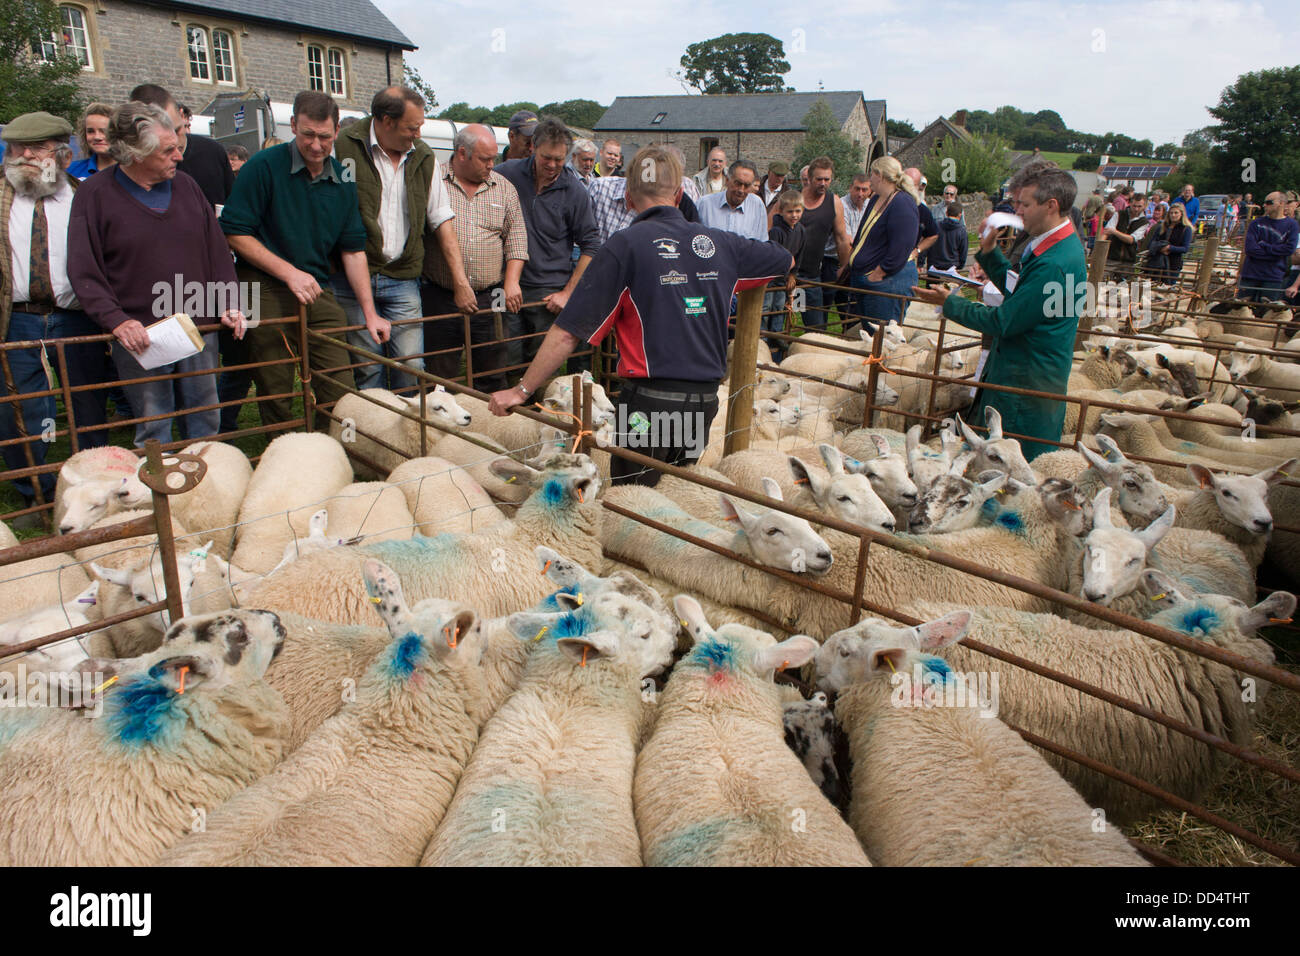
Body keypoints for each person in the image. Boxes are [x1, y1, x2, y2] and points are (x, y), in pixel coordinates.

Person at [485, 145, 793, 486]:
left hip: (650, 405)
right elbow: (782, 259)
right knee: (677, 490)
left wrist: (522, 390)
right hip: (702, 402)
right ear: (678, 194)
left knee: (633, 499)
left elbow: (568, 332)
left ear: (629, 197)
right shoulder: (719, 243)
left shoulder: (625, 246)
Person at [68, 103, 246, 448]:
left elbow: (217, 252)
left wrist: (230, 303)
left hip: (198, 326)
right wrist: (116, 321)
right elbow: (82, 267)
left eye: (177, 146)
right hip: (141, 334)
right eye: (168, 150)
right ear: (135, 154)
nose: (178, 157)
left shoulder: (188, 187)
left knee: (206, 419)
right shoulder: (94, 194)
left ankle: (205, 494)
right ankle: (159, 497)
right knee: (154, 425)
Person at [219, 90, 381, 428]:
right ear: (293, 125)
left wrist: (370, 313)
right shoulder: (263, 166)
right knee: (274, 381)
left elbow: (352, 248)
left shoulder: (342, 178)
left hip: (315, 283)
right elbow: (234, 232)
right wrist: (289, 273)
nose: (317, 145)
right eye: (308, 134)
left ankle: (330, 450)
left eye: (324, 136)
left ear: (337, 131)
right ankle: (282, 451)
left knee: (339, 380)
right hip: (263, 282)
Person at [911, 166, 1085, 461]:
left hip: (1024, 384)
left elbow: (1004, 320)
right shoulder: (1055, 247)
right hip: (1024, 373)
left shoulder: (1055, 262)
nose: (1018, 212)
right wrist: (990, 253)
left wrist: (950, 303)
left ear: (1051, 205)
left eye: (1025, 204)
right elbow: (1021, 292)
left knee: (1008, 465)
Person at [1, 113, 117, 523]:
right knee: (26, 408)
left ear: (63, 154)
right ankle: (36, 491)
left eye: (38, 148)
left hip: (76, 317)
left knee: (86, 402)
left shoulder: (85, 196)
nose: (26, 156)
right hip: (17, 319)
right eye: (18, 148)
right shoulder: (1, 198)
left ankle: (95, 487)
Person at [333, 86, 473, 394]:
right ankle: (371, 436)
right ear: (385, 121)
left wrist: (460, 280)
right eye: (412, 127)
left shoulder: (423, 157)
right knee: (366, 365)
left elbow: (440, 216)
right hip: (354, 276)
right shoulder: (344, 147)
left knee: (411, 365)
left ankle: (407, 435)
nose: (418, 133)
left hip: (404, 275)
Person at [423, 125, 527, 391]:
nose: (492, 165)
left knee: (492, 369)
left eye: (494, 158)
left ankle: (488, 427)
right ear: (461, 153)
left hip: (491, 294)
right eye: (485, 159)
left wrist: (512, 281)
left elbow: (516, 240)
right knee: (439, 371)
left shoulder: (504, 188)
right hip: (441, 292)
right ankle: (441, 428)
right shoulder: (434, 181)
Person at [495, 116, 600, 372]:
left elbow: (591, 245)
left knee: (539, 362)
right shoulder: (506, 174)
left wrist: (567, 292)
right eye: (546, 157)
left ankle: (535, 409)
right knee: (502, 354)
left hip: (547, 290)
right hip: (503, 284)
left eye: (559, 159)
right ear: (534, 148)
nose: (552, 165)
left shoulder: (574, 191)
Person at [843, 156, 919, 331]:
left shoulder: (902, 203)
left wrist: (879, 273)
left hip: (887, 282)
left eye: (872, 174)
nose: (870, 179)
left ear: (881, 175)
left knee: (881, 335)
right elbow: (864, 233)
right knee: (870, 333)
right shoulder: (877, 199)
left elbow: (902, 245)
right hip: (868, 279)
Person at [128, 85, 233, 209]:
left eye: (176, 130)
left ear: (182, 115)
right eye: (162, 139)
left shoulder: (213, 152)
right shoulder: (129, 171)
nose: (175, 144)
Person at [794, 157, 852, 330]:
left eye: (827, 179)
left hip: (811, 275)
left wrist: (843, 266)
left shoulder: (833, 202)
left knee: (816, 326)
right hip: (787, 273)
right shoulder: (794, 199)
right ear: (809, 179)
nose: (823, 183)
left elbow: (841, 238)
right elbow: (771, 229)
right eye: (819, 179)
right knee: (778, 321)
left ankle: (811, 353)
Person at [763, 190, 804, 360]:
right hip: (772, 276)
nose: (794, 215)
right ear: (781, 211)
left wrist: (793, 275)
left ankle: (777, 334)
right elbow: (773, 254)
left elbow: (800, 254)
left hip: (785, 277)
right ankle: (763, 337)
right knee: (766, 306)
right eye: (790, 212)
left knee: (780, 306)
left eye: (798, 211)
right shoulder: (776, 232)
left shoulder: (801, 230)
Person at [1239, 191, 1300, 302]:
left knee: (1267, 311)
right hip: (1251, 274)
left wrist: (1264, 245)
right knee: (1239, 309)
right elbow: (1250, 249)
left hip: (1273, 277)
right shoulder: (1256, 223)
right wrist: (1276, 254)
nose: (1264, 205)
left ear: (1281, 203)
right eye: (1264, 202)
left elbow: (1289, 249)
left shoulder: (1292, 225)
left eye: (1269, 202)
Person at [696, 160, 768, 240]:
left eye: (747, 186)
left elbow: (762, 243)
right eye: (737, 183)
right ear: (727, 181)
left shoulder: (757, 206)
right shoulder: (704, 204)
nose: (741, 190)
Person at [1145, 202, 1192, 285]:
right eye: (1171, 213)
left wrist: (1169, 248)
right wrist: (1160, 248)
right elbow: (1151, 243)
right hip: (1157, 262)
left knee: (1169, 287)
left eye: (1176, 213)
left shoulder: (1186, 229)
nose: (1173, 215)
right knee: (1154, 286)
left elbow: (1185, 248)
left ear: (1181, 214)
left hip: (1174, 263)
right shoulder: (1162, 226)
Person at [1104, 192, 1149, 278]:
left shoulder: (1144, 222)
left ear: (1144, 206)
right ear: (1130, 203)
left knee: (1123, 287)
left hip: (1128, 260)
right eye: (1134, 206)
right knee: (1102, 281)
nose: (1136, 209)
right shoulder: (1119, 214)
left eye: (1139, 206)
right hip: (1112, 257)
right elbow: (1107, 231)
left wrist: (1115, 232)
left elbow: (1131, 239)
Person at [67, 104, 116, 181]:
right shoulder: (72, 171)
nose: (97, 137)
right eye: (90, 131)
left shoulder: (131, 173)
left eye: (104, 131)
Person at [929, 203, 969, 272]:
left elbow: (928, 242)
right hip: (952, 268)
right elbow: (963, 251)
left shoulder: (936, 226)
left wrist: (921, 263)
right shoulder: (962, 231)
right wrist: (960, 266)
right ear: (960, 215)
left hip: (935, 266)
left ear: (946, 213)